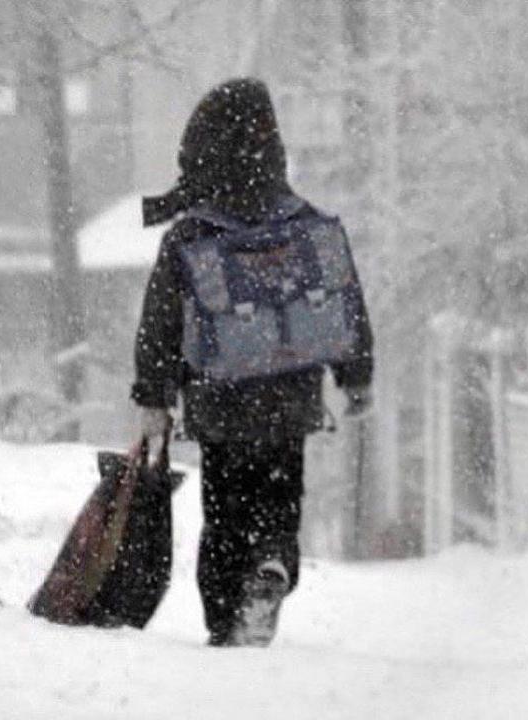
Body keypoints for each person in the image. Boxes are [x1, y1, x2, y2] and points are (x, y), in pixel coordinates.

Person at [132, 78, 373, 647]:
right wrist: (357, 376)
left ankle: (224, 622)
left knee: (225, 510)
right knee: (280, 498)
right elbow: (346, 300)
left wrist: (154, 397)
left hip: (220, 400)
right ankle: (272, 564)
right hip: (291, 397)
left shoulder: (191, 233)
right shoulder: (305, 221)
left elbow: (160, 323)